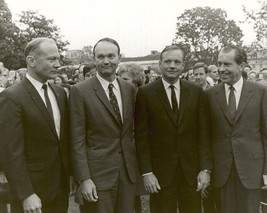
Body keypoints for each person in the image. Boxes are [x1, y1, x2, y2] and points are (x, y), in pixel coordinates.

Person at [134, 45, 211, 213]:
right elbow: (141, 137)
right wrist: (147, 173)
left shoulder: (196, 92)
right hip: (160, 174)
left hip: (191, 173)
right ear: (160, 64)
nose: (172, 66)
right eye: (168, 61)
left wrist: (205, 169)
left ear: (183, 65)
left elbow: (203, 134)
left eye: (177, 62)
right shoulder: (145, 93)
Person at [0, 37, 71, 212]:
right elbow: (11, 151)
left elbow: (62, 140)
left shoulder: (60, 93)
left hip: (60, 189)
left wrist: (70, 176)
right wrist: (26, 194)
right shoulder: (12, 97)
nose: (57, 64)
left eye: (58, 58)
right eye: (51, 59)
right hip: (32, 195)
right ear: (31, 61)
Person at [69, 37, 137, 213]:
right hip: (97, 178)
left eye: (111, 56)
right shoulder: (80, 91)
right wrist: (84, 178)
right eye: (100, 57)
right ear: (94, 60)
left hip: (127, 175)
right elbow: (77, 139)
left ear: (119, 58)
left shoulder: (129, 89)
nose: (106, 61)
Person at [204, 45, 267, 213]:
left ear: (241, 65)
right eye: (219, 64)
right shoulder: (209, 95)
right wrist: (206, 169)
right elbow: (205, 137)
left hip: (251, 171)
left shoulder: (260, 92)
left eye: (227, 64)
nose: (221, 69)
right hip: (221, 172)